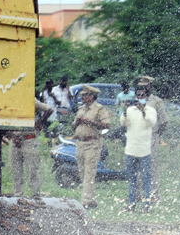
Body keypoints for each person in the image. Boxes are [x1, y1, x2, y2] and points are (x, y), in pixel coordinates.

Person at [72, 85, 113, 208]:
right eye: (82, 95)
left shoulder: (100, 109)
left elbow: (107, 125)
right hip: (80, 143)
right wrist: (77, 122)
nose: (82, 97)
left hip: (92, 143)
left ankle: (86, 200)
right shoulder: (81, 109)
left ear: (92, 96)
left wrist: (92, 122)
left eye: (85, 95)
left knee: (89, 172)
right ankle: (92, 200)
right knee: (82, 171)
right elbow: (73, 127)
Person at [121, 83, 159, 211]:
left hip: (144, 150)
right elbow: (123, 122)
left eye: (142, 95)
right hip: (131, 149)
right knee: (132, 179)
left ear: (146, 97)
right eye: (138, 95)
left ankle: (146, 204)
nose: (140, 97)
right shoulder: (131, 110)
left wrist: (143, 110)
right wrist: (125, 111)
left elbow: (151, 122)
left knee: (146, 179)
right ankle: (131, 204)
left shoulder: (151, 110)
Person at [6, 99, 53, 199]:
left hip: (29, 138)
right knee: (15, 169)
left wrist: (39, 122)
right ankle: (18, 195)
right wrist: (12, 135)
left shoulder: (31, 99)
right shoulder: (10, 98)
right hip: (14, 139)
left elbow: (49, 109)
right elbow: (5, 117)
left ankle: (35, 194)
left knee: (32, 168)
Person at [134, 75, 168, 201]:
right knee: (137, 166)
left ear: (150, 87)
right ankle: (137, 194)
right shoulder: (135, 100)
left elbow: (164, 121)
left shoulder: (156, 101)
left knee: (151, 165)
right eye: (141, 87)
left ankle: (153, 194)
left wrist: (157, 133)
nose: (143, 89)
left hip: (151, 136)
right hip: (137, 137)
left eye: (145, 86)